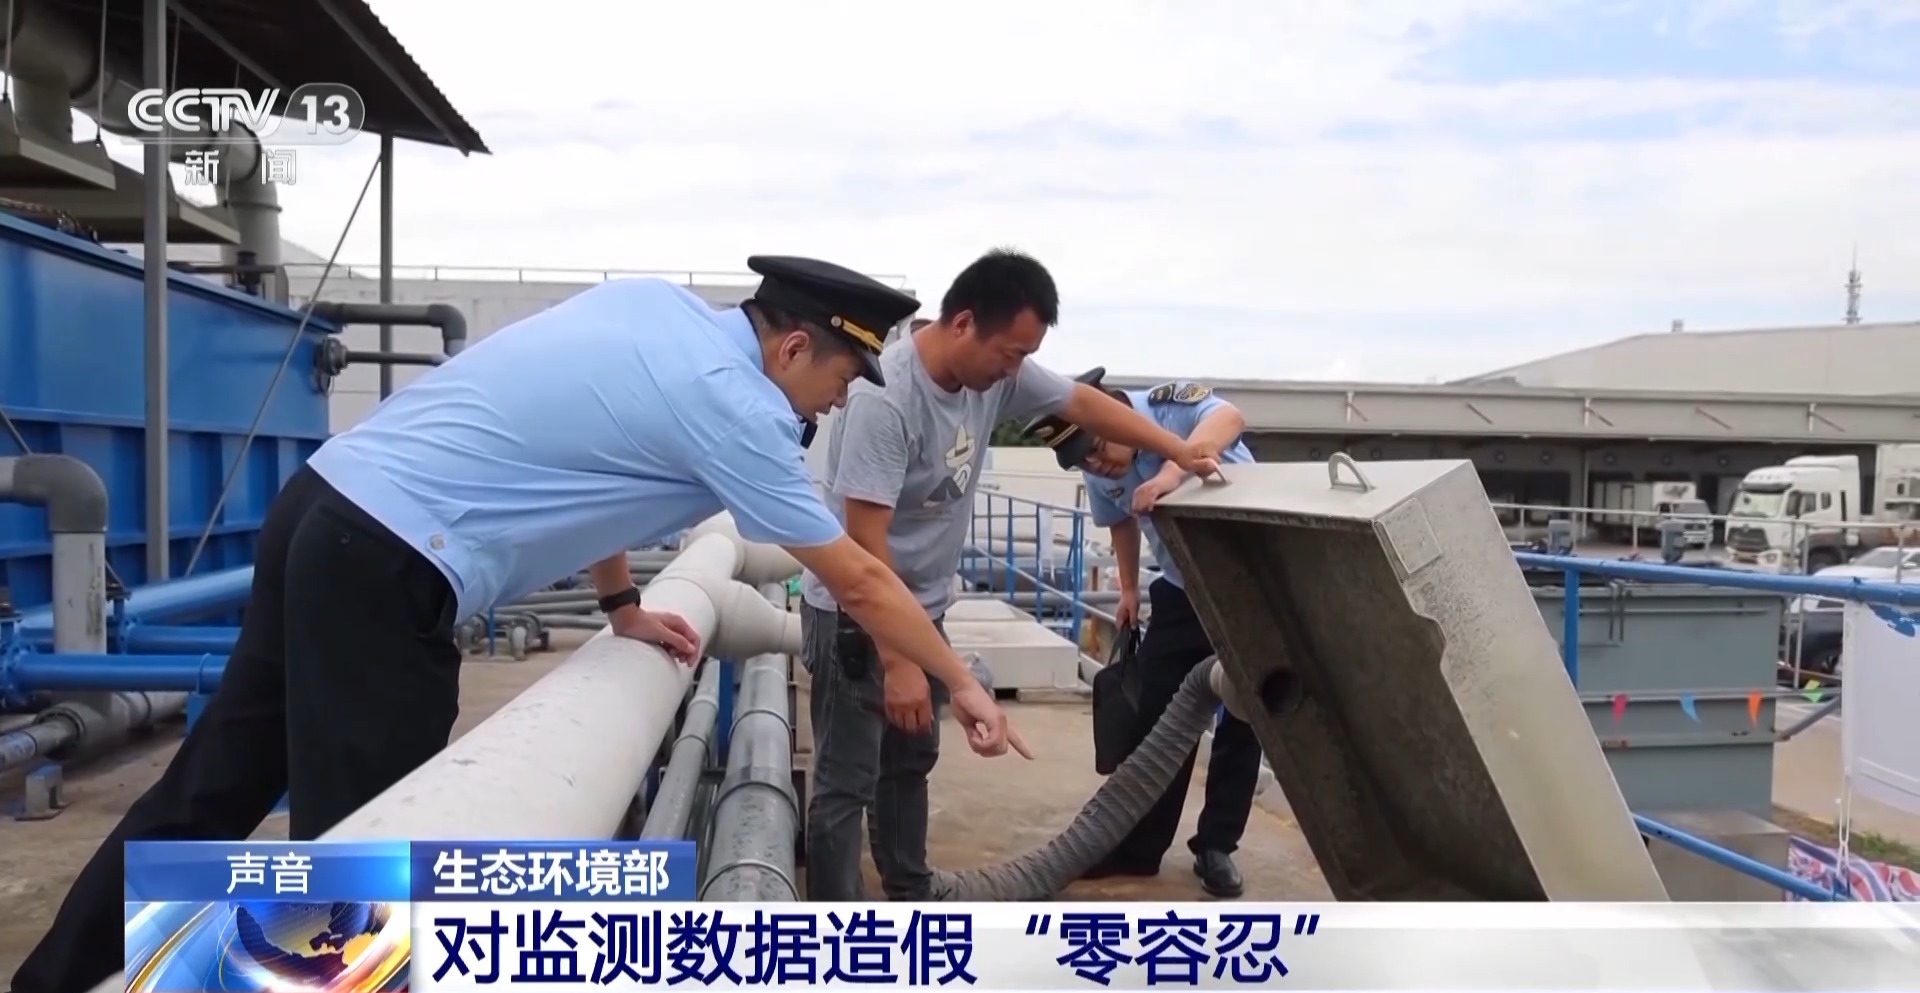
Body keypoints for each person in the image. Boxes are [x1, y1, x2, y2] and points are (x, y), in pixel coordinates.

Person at [12, 256, 1030, 993]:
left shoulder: (653, 309)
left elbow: (592, 461)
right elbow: (859, 577)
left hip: (323, 507)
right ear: (795, 345)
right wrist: (961, 680)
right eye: (840, 380)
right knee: (367, 856)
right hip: (389, 563)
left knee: (211, 789)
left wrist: (622, 603)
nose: (836, 403)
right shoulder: (736, 402)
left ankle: (54, 979)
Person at [800, 249, 1221, 901]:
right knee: (847, 778)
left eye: (1026, 356)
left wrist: (1177, 450)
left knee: (911, 757)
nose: (1016, 369)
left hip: (923, 606)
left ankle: (909, 888)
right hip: (857, 614)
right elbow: (864, 544)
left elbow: (1082, 401)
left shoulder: (995, 376)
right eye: (1011, 352)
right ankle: (834, 924)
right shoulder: (887, 397)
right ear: (963, 323)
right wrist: (899, 661)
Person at [1021, 369, 1261, 898]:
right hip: (1180, 586)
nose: (1096, 464)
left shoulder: (1169, 407)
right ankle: (1138, 846)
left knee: (1244, 715)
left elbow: (1229, 418)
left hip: (1250, 586)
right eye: (1082, 460)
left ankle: (1217, 845)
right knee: (1155, 718)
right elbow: (1119, 520)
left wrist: (1171, 473)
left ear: (1118, 416)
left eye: (1098, 449)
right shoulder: (1096, 460)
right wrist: (1128, 587)